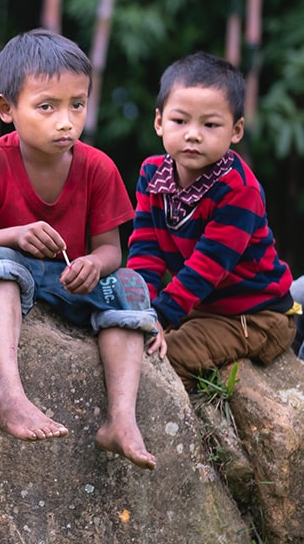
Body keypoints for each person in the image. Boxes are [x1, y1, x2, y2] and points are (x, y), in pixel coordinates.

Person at [0, 29, 161, 470]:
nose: (66, 121)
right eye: (47, 107)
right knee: (3, 266)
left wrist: (93, 264)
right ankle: (8, 395)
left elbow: (110, 251)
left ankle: (120, 420)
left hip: (64, 284)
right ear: (7, 109)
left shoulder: (98, 168)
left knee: (130, 285)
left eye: (77, 104)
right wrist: (15, 235)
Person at [127, 52, 298, 387]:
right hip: (200, 307)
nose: (193, 134)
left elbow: (208, 266)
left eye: (210, 125)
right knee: (124, 338)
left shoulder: (238, 189)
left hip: (254, 315)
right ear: (159, 122)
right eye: (180, 121)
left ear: (236, 130)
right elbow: (146, 251)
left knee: (160, 360)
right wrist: (140, 310)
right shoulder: (152, 174)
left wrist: (161, 316)